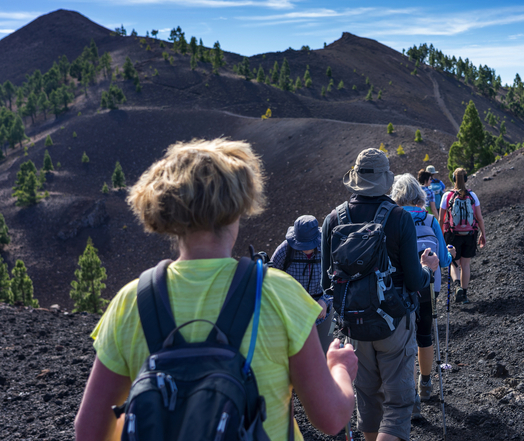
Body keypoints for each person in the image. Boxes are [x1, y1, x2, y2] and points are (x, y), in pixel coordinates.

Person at [75, 139, 357, 441]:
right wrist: (340, 369)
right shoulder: (278, 294)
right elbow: (330, 418)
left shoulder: (131, 301)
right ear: (237, 207)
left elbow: (89, 431)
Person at [322, 148, 439, 441]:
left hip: (354, 328)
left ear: (356, 179)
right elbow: (414, 281)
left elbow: (329, 281)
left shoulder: (333, 219)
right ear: (385, 181)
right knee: (398, 405)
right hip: (394, 324)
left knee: (369, 403)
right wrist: (428, 269)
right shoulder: (399, 218)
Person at [390, 173, 455, 419]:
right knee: (424, 335)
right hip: (429, 286)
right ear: (419, 194)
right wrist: (449, 252)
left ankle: (411, 397)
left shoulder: (393, 219)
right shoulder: (430, 219)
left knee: (403, 339)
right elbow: (445, 260)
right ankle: (425, 384)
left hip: (400, 287)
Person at [271, 215, 334, 355]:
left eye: (308, 245)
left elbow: (337, 280)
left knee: (325, 355)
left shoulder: (327, 249)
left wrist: (325, 301)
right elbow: (271, 280)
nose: (305, 249)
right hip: (292, 314)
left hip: (321, 312)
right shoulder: (284, 251)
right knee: (295, 356)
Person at [438, 167, 486, 304]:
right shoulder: (473, 196)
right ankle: (464, 295)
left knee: (454, 263)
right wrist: (483, 233)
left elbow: (441, 219)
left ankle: (457, 286)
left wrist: (440, 236)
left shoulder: (447, 196)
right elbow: (479, 217)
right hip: (470, 234)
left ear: (453, 179)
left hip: (452, 235)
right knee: (466, 264)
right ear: (465, 179)